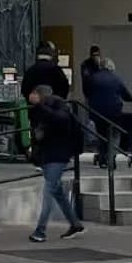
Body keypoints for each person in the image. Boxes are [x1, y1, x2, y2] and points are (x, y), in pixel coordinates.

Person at [25, 86, 87, 242]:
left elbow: (59, 120)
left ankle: (40, 231)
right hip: (48, 155)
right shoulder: (39, 110)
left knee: (49, 191)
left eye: (33, 94)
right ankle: (75, 224)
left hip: (57, 156)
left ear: (39, 95)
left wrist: (40, 107)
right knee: (57, 192)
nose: (30, 97)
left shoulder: (57, 107)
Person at [82, 52, 132, 168]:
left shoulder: (93, 78)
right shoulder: (116, 78)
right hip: (114, 111)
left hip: (97, 112)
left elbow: (87, 93)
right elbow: (126, 95)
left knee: (101, 135)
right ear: (112, 67)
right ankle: (111, 158)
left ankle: (102, 158)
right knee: (115, 134)